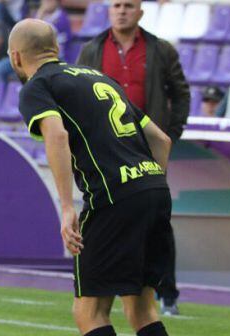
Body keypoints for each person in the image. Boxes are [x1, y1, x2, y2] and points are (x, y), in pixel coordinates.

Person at [13, 19, 187, 336]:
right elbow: (160, 139)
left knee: (89, 313)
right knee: (143, 310)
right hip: (152, 187)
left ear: (17, 57)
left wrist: (67, 206)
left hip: (114, 198)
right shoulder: (98, 77)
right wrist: (149, 189)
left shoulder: (38, 85)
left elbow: (56, 134)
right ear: (56, 46)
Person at [77, 0, 190, 316]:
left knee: (156, 223)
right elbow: (77, 94)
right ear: (109, 11)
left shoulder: (161, 50)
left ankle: (166, 293)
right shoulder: (91, 50)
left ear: (140, 11)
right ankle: (101, 291)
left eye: (129, 5)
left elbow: (180, 93)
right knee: (102, 218)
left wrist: (170, 132)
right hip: (106, 153)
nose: (122, 10)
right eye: (116, 5)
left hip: (147, 151)